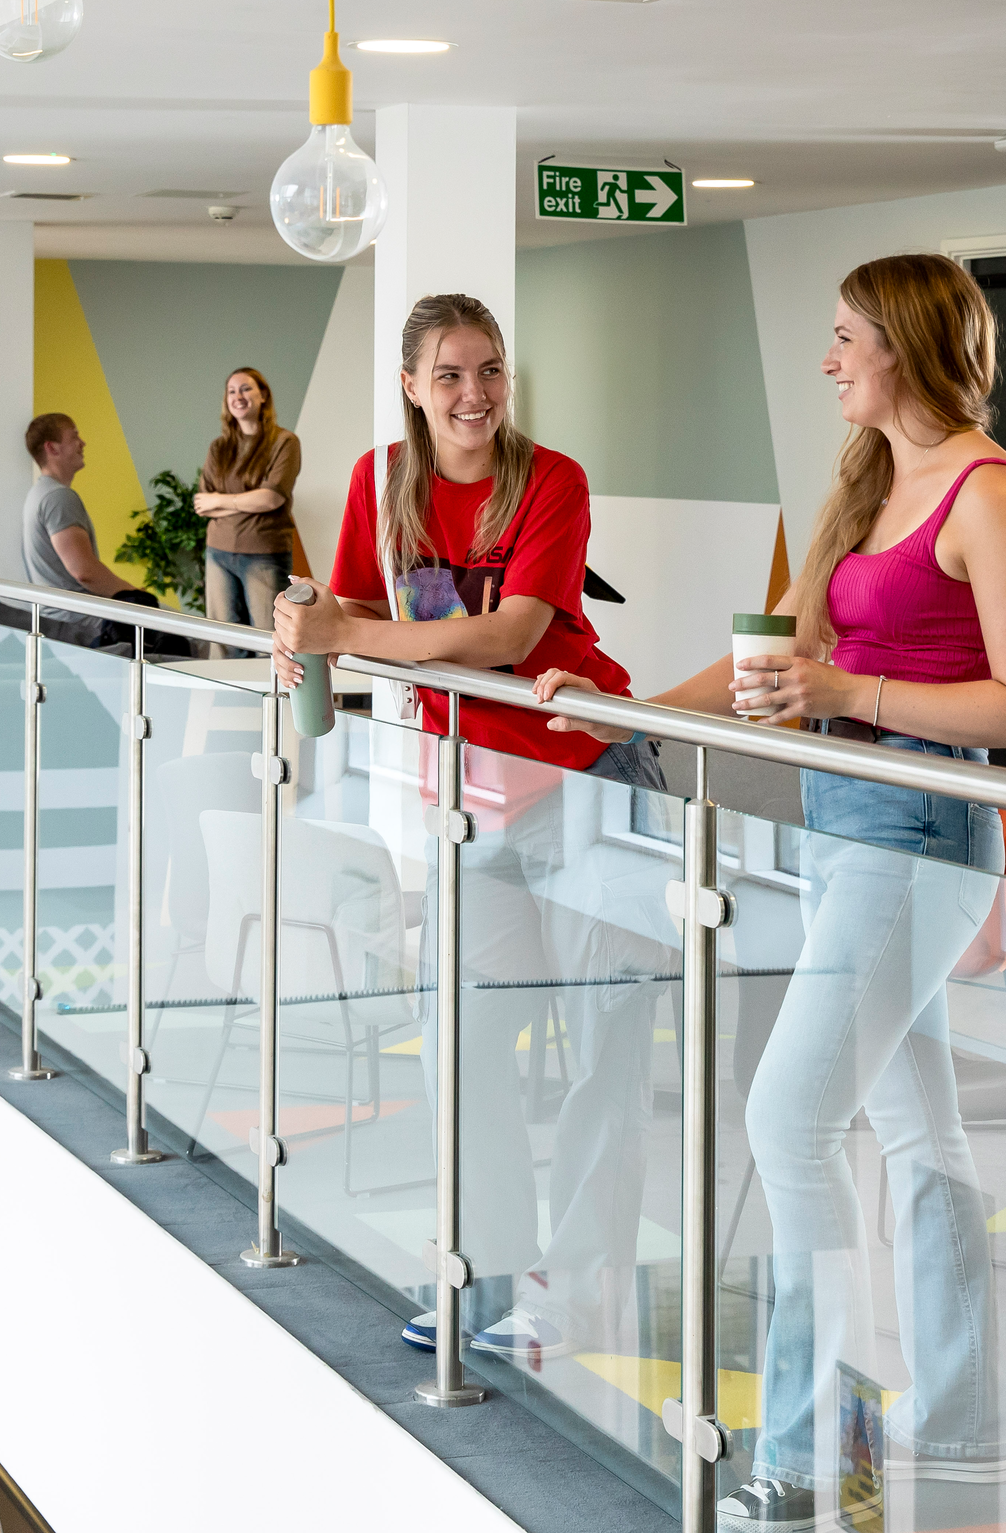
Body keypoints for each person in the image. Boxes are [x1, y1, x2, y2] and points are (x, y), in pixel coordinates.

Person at [534, 252, 1006, 1527]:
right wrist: (631, 714)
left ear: (904, 343)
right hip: (841, 829)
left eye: (844, 338)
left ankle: (820, 1438)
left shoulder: (992, 496)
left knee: (788, 1124)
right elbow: (781, 654)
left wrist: (848, 696)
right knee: (923, 1143)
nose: (827, 359)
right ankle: (957, 1431)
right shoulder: (869, 482)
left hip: (925, 831)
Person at [272, 292, 665, 1365]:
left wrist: (357, 628)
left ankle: (578, 1298)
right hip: (474, 800)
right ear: (411, 385)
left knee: (603, 1058)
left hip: (593, 783)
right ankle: (483, 1277)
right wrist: (309, 627)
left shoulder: (551, 481)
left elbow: (514, 636)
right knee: (471, 1047)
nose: (473, 394)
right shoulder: (376, 483)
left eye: (489, 371)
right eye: (448, 374)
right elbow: (347, 622)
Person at [194, 367, 301, 642]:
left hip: (263, 554)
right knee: (222, 640)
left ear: (263, 395)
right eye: (232, 391)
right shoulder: (219, 447)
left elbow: (271, 498)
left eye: (246, 388)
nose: (238, 396)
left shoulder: (284, 442)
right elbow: (203, 504)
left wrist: (221, 500)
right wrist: (248, 501)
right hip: (217, 552)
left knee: (268, 639)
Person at [22, 412, 146, 599]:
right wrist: (134, 596)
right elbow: (85, 572)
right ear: (52, 448)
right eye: (74, 437)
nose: (82, 443)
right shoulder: (59, 497)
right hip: (79, 620)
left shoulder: (40, 493)